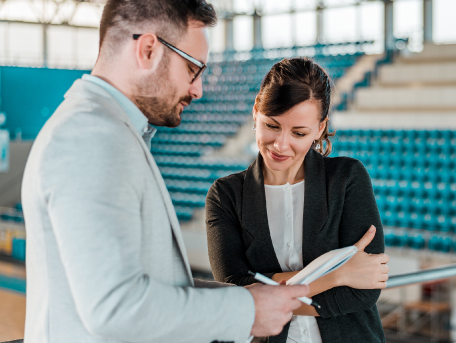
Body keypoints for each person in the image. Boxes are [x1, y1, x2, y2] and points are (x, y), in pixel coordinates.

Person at [21, 1, 308, 342]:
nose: (198, 90)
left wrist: (249, 300)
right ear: (147, 50)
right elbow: (115, 308)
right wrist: (246, 312)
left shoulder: (108, 131)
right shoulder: (93, 138)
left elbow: (146, 284)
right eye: (192, 69)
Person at [205, 57, 389, 343]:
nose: (281, 144)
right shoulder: (226, 195)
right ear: (256, 112)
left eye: (299, 133)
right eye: (272, 125)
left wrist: (268, 293)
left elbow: (365, 289)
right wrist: (336, 276)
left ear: (319, 128)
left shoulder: (347, 178)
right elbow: (235, 291)